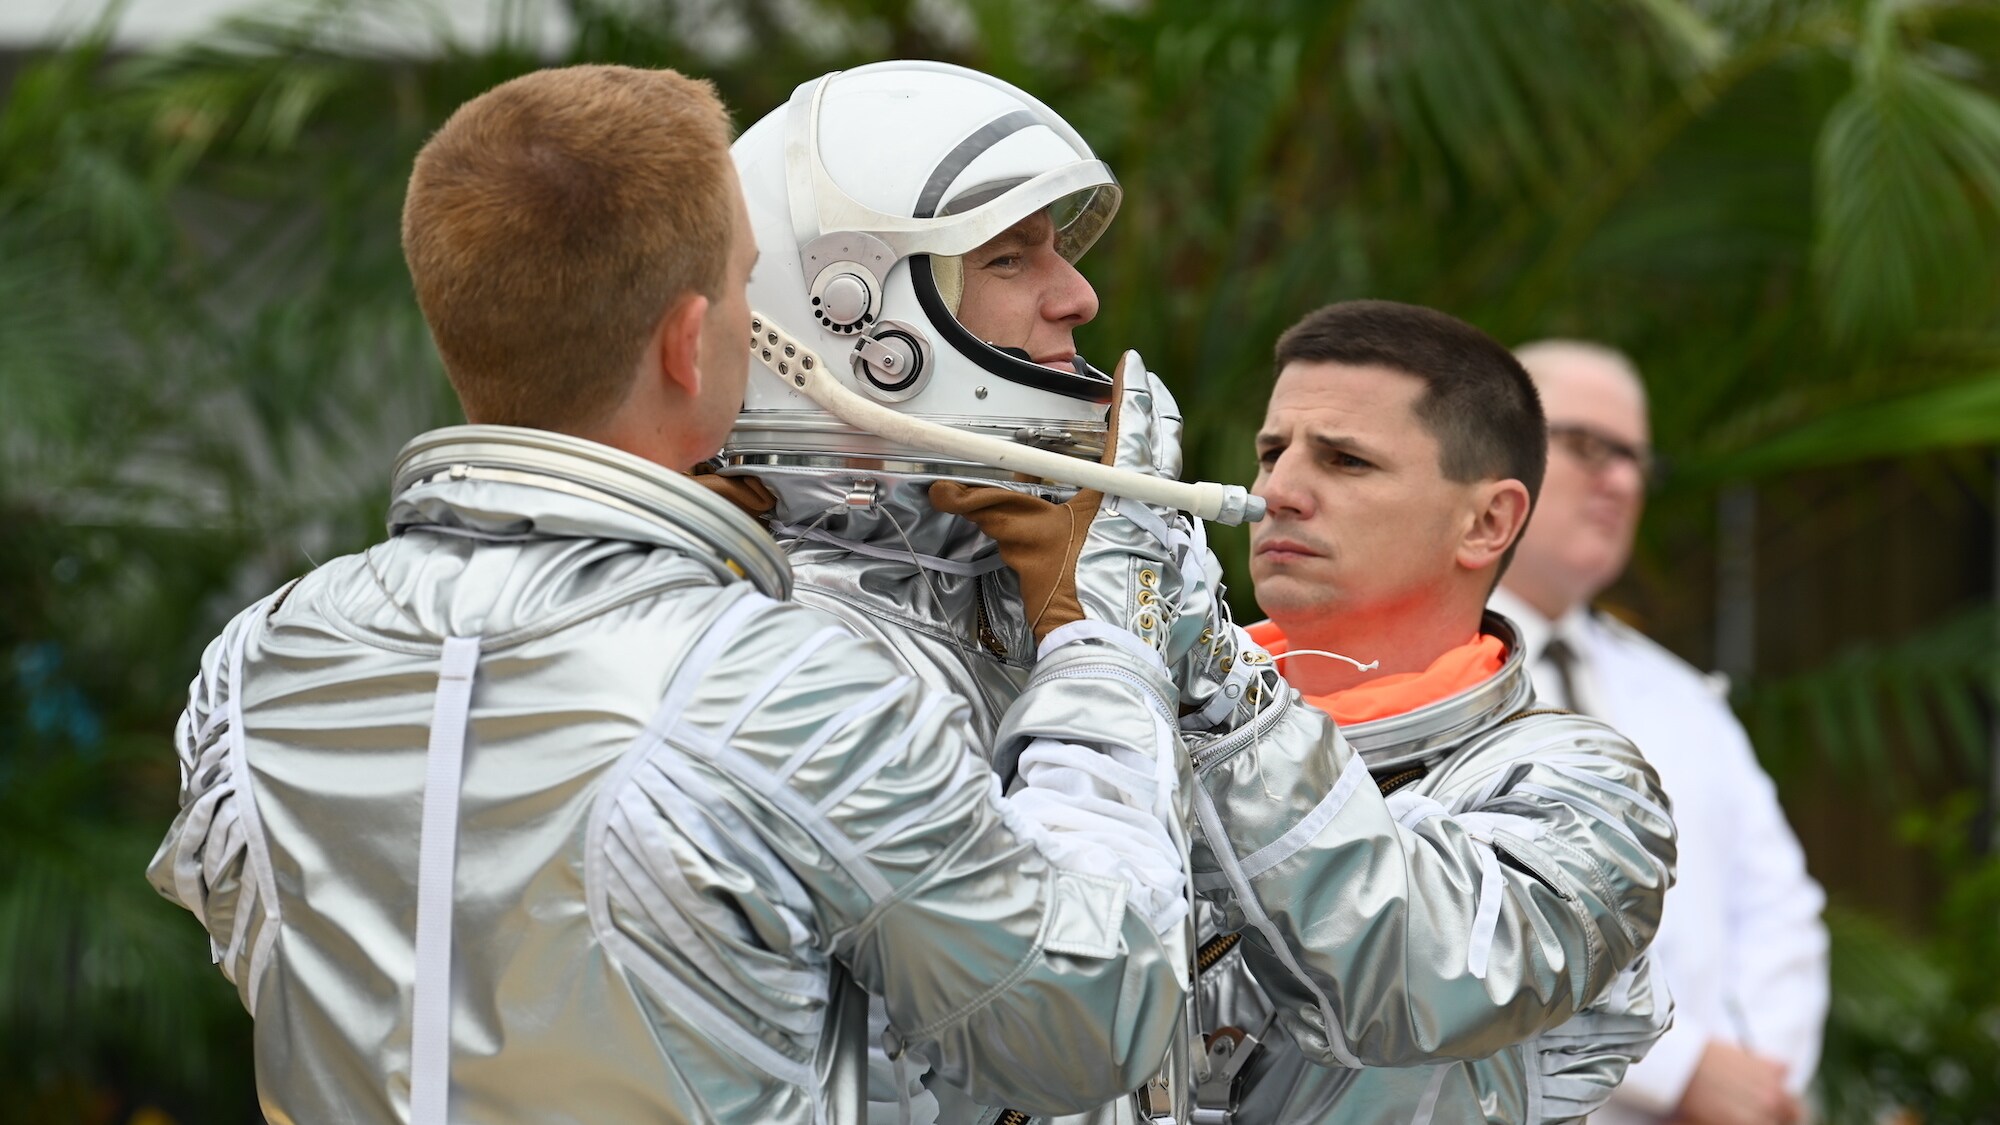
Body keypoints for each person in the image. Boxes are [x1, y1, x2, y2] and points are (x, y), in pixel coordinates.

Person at [145, 64, 1201, 1125]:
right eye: (748, 287)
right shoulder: (782, 685)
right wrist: (1107, 621)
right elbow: (1085, 1013)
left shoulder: (257, 662)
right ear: (690, 343)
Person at [1152, 300, 1680, 1122]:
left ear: (1488, 521)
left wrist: (1206, 668)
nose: (1278, 491)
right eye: (1271, 451)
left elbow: (1417, 980)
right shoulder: (1147, 696)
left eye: (1345, 460)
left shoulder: (1590, 789)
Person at [1492, 339, 1828, 1125]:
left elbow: (1781, 909)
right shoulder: (1413, 677)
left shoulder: (1685, 696)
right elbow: (1456, 935)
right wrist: (1676, 1070)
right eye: (1586, 445)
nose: (1618, 478)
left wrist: (1756, 1072)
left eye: (1635, 458)